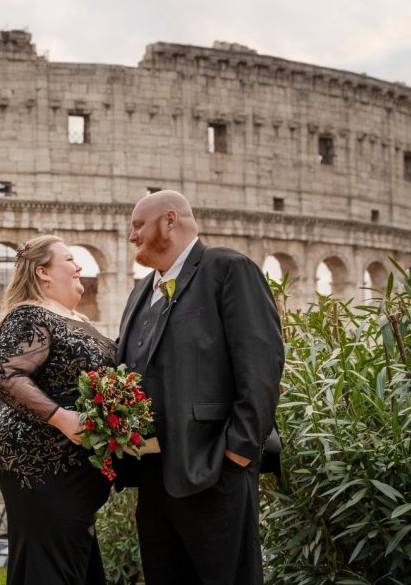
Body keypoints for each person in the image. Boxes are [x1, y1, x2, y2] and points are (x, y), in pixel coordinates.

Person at [118, 190, 283, 584]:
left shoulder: (228, 269)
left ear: (169, 221)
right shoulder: (141, 291)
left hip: (214, 471)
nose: (132, 236)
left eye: (138, 225)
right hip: (154, 478)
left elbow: (260, 368)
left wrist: (237, 455)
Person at [0, 235, 116, 585]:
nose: (79, 267)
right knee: (51, 563)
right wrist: (62, 418)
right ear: (43, 272)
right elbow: (6, 374)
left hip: (73, 461)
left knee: (71, 559)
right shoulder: (31, 314)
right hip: (40, 460)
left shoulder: (76, 317)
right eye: (70, 260)